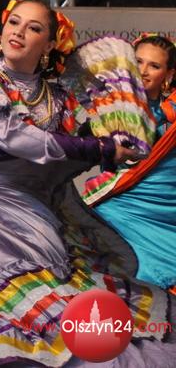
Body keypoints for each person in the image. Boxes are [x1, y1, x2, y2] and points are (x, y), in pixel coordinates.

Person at [0, 0, 175, 367]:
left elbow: (63, 159)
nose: (19, 32)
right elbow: (18, 139)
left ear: (49, 44)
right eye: (14, 23)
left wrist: (115, 141)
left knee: (56, 306)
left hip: (31, 213)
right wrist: (99, 147)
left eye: (34, 28)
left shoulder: (58, 98)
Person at [90, 34, 176, 289]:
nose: (143, 70)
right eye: (138, 61)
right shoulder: (107, 107)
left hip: (163, 210)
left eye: (154, 65)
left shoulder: (171, 116)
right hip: (119, 206)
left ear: (168, 75)